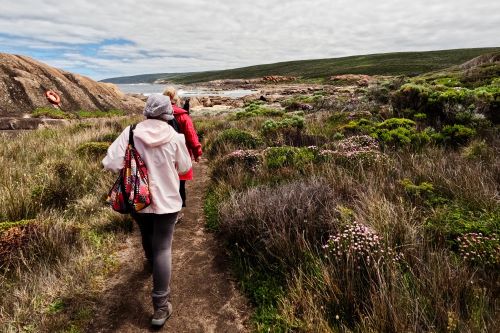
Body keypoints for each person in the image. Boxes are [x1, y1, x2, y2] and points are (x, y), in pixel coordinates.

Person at [102, 94, 192, 327]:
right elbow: (185, 166)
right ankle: (161, 308)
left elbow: (110, 162)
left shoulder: (130, 132)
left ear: (146, 111)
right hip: (168, 202)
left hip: (137, 200)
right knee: (164, 247)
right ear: (167, 114)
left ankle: (151, 262)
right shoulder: (174, 136)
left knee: (146, 234)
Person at [163, 86, 202, 222]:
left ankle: (162, 212)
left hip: (161, 156)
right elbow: (191, 136)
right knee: (179, 184)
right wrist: (197, 152)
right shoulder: (183, 116)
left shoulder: (157, 115)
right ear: (175, 99)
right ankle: (174, 214)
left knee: (163, 182)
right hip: (179, 156)